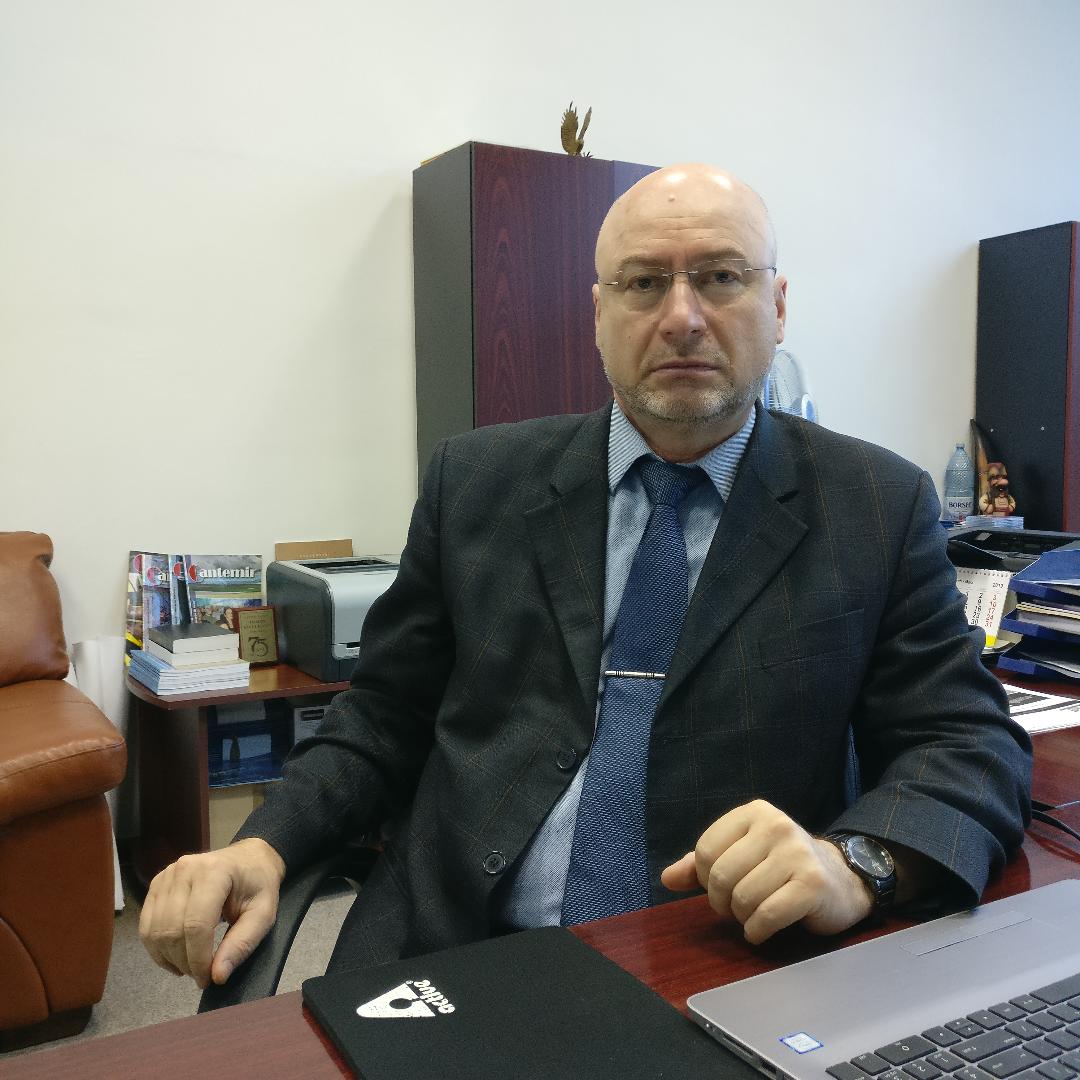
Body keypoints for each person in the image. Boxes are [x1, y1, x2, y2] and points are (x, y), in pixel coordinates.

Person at [140, 164, 1031, 990]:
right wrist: (263, 845)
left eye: (721, 277)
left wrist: (856, 865)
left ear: (779, 304)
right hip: (452, 948)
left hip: (714, 962)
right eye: (643, 283)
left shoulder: (874, 505)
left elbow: (968, 744)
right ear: (598, 314)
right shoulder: (475, 482)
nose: (681, 317)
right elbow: (381, 717)